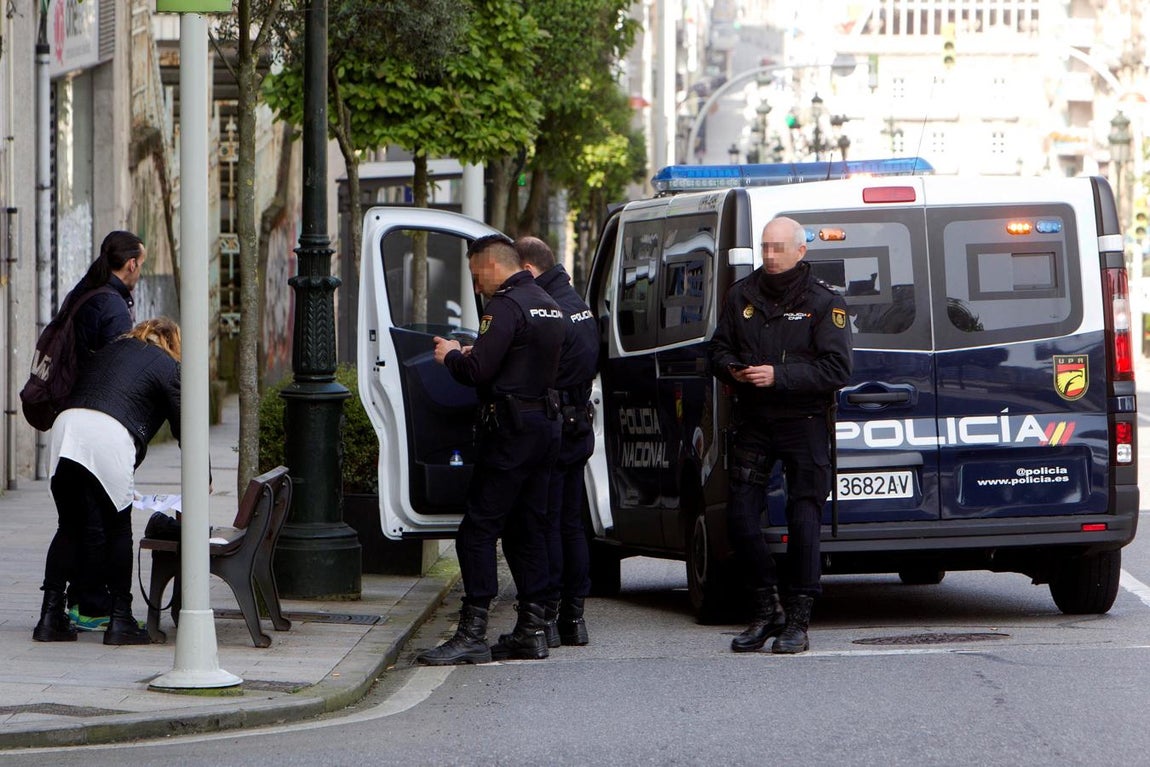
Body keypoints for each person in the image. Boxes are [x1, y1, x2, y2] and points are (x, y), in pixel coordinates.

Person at [416, 234, 565, 666]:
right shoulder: (547, 302)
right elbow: (523, 360)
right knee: (527, 528)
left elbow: (479, 371)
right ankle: (532, 630)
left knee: (477, 530)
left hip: (510, 432)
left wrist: (451, 356)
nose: (475, 283)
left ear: (489, 264)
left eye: (474, 273)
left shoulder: (504, 305)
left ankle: (472, 633)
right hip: (545, 427)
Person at [708, 216, 852, 654]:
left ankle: (800, 620)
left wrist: (780, 376)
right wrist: (732, 368)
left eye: (778, 248)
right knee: (740, 518)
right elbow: (717, 348)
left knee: (804, 519)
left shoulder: (824, 302)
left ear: (800, 251)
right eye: (765, 247)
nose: (770, 256)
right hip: (754, 419)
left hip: (804, 421)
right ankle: (766, 609)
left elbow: (838, 368)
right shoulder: (742, 294)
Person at [33, 317, 181, 645]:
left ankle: (50, 617)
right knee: (118, 530)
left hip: (66, 428)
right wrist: (206, 476)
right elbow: (186, 423)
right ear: (172, 343)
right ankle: (120, 619)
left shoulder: (110, 349)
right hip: (109, 434)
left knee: (69, 526)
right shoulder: (168, 364)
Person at [59, 230, 148, 630]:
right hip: (97, 420)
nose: (140, 272)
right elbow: (119, 370)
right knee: (101, 519)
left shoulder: (85, 292)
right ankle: (91, 607)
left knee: (76, 519)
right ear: (130, 264)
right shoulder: (112, 306)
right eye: (141, 265)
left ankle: (68, 603)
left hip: (70, 419)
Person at [514, 236, 599, 647]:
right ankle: (573, 618)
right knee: (571, 524)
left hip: (555, 423)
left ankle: (545, 616)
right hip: (578, 420)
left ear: (528, 270)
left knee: (544, 522)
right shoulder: (576, 302)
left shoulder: (547, 308)